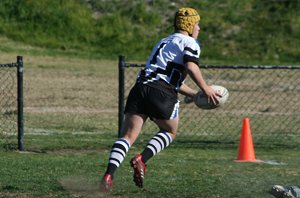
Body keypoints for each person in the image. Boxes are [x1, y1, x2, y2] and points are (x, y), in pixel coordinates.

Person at [101, 7, 221, 191]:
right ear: (189, 25)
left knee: (127, 136)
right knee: (170, 132)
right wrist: (205, 89)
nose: (199, 28)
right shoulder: (190, 42)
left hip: (141, 87)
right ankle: (142, 159)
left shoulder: (164, 42)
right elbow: (190, 66)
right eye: (197, 24)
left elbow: (172, 79)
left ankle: (109, 175)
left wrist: (195, 95)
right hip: (162, 93)